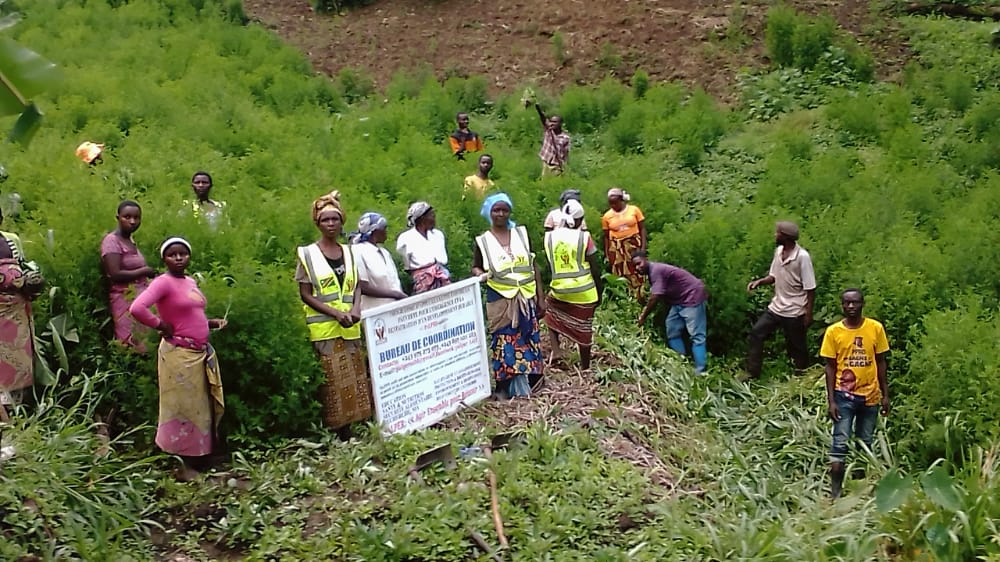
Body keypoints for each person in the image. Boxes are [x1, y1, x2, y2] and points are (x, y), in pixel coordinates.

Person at [129, 237, 227, 481]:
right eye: (173, 255)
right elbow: (137, 308)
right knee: (181, 408)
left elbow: (190, 313)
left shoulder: (190, 281)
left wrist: (210, 323)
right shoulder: (163, 283)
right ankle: (182, 463)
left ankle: (201, 456)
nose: (179, 258)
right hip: (178, 356)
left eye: (183, 254)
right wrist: (160, 324)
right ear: (164, 259)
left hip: (198, 353)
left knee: (199, 408)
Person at [296, 191, 372, 436]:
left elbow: (357, 284)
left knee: (354, 375)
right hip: (325, 328)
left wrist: (356, 309)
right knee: (333, 380)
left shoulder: (349, 252)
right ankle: (339, 430)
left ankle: (355, 424)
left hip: (350, 324)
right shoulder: (308, 254)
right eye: (325, 220)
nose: (331, 224)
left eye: (335, 219)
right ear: (318, 224)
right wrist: (334, 313)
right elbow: (305, 293)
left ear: (342, 222)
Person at [472, 193, 545, 398]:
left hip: (526, 296)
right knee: (503, 340)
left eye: (505, 210)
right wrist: (481, 275)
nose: (501, 214)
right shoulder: (483, 241)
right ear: (489, 213)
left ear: (510, 212)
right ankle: (505, 385)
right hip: (499, 298)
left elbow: (533, 266)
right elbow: (475, 267)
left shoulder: (521, 234)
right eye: (496, 210)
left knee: (528, 336)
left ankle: (533, 379)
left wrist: (541, 297)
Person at [821, 289, 889, 499]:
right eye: (847, 303)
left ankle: (860, 489)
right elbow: (830, 367)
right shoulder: (834, 332)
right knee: (840, 441)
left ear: (862, 304)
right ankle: (836, 492)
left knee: (865, 441)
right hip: (844, 395)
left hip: (871, 395)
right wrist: (831, 400)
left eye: (855, 303)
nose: (851, 307)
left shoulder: (875, 328)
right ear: (842, 305)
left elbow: (880, 361)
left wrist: (885, 395)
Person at [745, 221, 816, 380]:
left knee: (797, 346)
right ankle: (752, 372)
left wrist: (808, 314)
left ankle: (801, 377)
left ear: (786, 237)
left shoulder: (802, 257)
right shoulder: (778, 252)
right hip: (777, 307)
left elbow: (810, 288)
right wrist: (760, 282)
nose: (774, 235)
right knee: (757, 333)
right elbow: (773, 276)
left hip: (795, 310)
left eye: (777, 233)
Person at [543, 199, 603, 372]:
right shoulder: (584, 237)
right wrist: (599, 291)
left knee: (550, 313)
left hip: (560, 290)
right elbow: (595, 267)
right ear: (578, 220)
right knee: (584, 330)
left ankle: (556, 350)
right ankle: (585, 367)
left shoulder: (549, 238)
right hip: (584, 292)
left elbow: (551, 264)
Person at [632, 251, 709, 373]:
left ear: (646, 259)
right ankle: (681, 362)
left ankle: (701, 370)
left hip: (692, 296)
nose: (638, 268)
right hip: (679, 301)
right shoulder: (652, 273)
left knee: (697, 335)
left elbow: (656, 296)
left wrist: (643, 317)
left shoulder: (655, 270)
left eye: (639, 263)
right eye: (635, 266)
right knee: (672, 330)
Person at [0, 209, 44, 406]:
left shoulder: (11, 240)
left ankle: (16, 409)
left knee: (18, 360)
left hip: (16, 312)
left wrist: (30, 282)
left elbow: (23, 265)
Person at [101, 200, 156, 351]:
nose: (132, 221)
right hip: (124, 298)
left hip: (140, 298)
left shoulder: (130, 239)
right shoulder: (111, 241)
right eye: (127, 217)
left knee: (145, 341)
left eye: (137, 218)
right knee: (130, 343)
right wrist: (144, 271)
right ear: (118, 217)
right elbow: (115, 274)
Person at [349, 212, 407, 312]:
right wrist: (395, 294)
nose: (386, 232)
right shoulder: (357, 251)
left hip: (396, 309)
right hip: (375, 313)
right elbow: (362, 286)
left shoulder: (385, 253)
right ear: (375, 231)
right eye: (384, 228)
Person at [601, 188, 647, 299]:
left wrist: (643, 247)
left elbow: (642, 229)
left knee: (637, 270)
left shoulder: (634, 210)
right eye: (610, 203)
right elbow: (606, 237)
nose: (613, 205)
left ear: (622, 200)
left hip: (633, 245)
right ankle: (625, 298)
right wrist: (607, 254)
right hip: (617, 249)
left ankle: (641, 296)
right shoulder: (607, 216)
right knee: (620, 273)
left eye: (615, 202)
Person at [396, 201, 451, 294]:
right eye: (431, 216)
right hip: (421, 282)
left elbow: (442, 258)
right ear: (422, 218)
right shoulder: (405, 238)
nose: (434, 219)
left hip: (442, 277)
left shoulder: (438, 235)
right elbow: (406, 266)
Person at [534, 103, 571, 175]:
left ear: (560, 124)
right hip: (546, 164)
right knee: (544, 184)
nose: (552, 124)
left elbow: (565, 154)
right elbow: (543, 119)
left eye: (555, 122)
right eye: (551, 121)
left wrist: (564, 166)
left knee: (556, 184)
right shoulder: (548, 131)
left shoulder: (565, 138)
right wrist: (538, 109)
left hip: (556, 166)